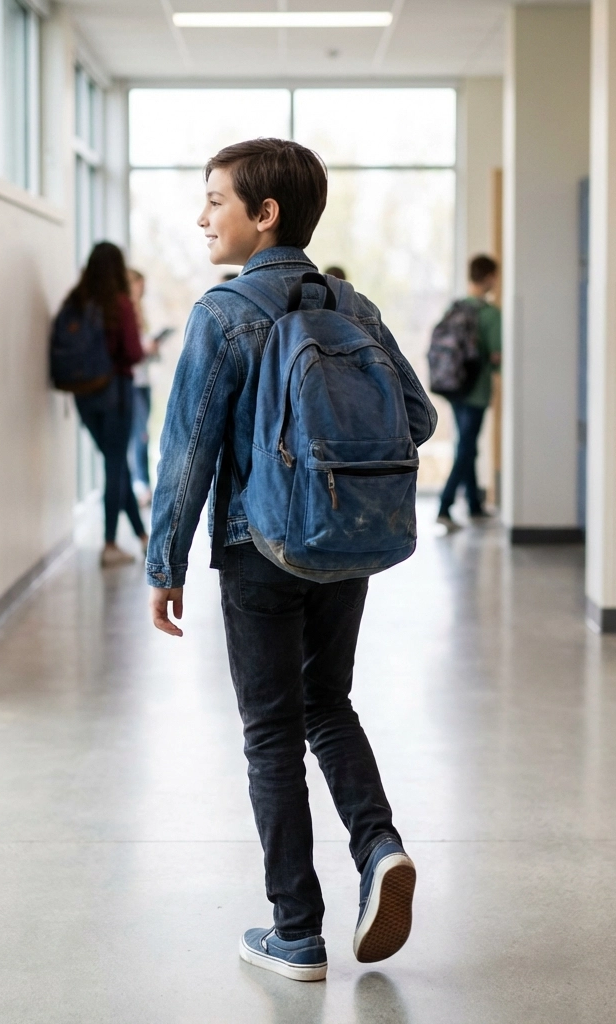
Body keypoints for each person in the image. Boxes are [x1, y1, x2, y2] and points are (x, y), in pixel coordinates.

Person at [146, 138, 436, 982]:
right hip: (344, 541)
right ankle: (379, 847)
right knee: (328, 704)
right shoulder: (353, 305)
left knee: (270, 733)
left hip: (259, 548)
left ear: (264, 214)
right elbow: (418, 419)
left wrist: (165, 564)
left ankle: (297, 932)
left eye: (216, 201)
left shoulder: (223, 313)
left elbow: (189, 452)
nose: (202, 217)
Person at [61, 242, 147, 567]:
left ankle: (142, 536)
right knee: (115, 466)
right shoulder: (119, 303)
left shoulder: (76, 300)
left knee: (116, 464)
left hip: (83, 394)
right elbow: (134, 352)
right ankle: (110, 544)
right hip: (115, 393)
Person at [436, 254, 502, 531]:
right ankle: (445, 506)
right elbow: (496, 356)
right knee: (466, 447)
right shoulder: (489, 314)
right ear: (489, 277)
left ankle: (474, 505)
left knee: (467, 445)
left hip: (454, 387)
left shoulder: (457, 307)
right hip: (476, 390)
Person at [127, 269, 157, 508]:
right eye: (140, 285)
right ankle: (139, 487)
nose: (143, 291)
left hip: (143, 382)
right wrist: (143, 350)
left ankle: (143, 486)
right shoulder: (125, 313)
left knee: (142, 435)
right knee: (139, 436)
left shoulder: (140, 312)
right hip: (132, 383)